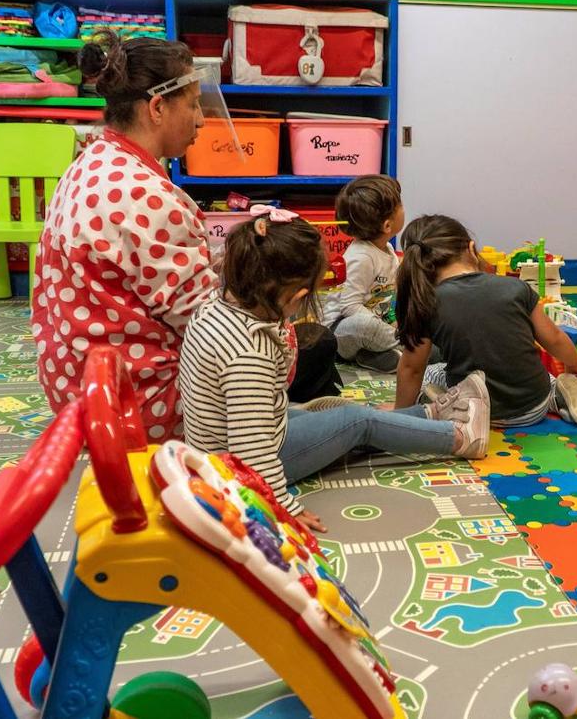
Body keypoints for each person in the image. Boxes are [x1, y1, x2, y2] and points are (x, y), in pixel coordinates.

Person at [30, 31, 336, 440]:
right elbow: (223, 332)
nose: (201, 119)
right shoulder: (151, 198)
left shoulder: (86, 165)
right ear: (157, 107)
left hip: (81, 398)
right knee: (312, 346)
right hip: (143, 412)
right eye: (192, 104)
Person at [179, 208, 490, 533]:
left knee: (346, 417)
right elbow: (252, 453)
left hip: (237, 442)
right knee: (356, 422)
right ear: (296, 297)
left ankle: (428, 416)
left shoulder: (216, 306)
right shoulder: (248, 351)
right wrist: (283, 507)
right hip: (239, 467)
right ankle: (458, 437)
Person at [393, 214, 577, 430]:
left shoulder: (426, 303)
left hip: (477, 413)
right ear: (471, 249)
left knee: (431, 371)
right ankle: (558, 395)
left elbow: (411, 368)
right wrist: (575, 364)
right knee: (545, 378)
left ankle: (443, 403)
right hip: (534, 406)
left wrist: (399, 417)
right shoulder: (516, 288)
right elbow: (555, 338)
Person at [321, 175, 405, 372]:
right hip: (340, 332)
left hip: (375, 327)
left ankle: (373, 355)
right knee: (364, 326)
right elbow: (349, 307)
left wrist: (393, 322)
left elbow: (386, 298)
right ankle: (413, 349)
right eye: (400, 205)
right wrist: (388, 329)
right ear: (387, 225)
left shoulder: (387, 250)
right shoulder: (362, 257)